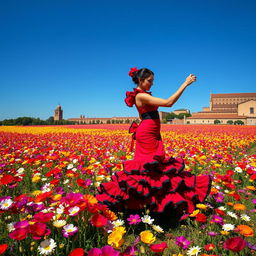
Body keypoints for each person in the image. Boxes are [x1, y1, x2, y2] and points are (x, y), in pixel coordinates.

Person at [96, 67, 211, 220]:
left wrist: (154, 132)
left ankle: (155, 206)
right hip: (148, 134)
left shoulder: (142, 96)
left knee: (155, 168)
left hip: (151, 133)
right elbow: (168, 103)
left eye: (153, 81)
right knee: (148, 168)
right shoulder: (140, 96)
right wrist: (185, 84)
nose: (152, 84)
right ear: (140, 80)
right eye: (149, 81)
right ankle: (146, 206)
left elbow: (143, 116)